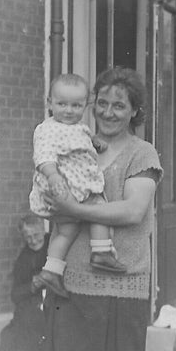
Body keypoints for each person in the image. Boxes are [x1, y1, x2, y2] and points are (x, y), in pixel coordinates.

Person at [44, 66, 163, 351]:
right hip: (75, 279)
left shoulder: (142, 154)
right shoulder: (75, 143)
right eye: (104, 102)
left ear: (134, 111)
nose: (110, 111)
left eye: (120, 105)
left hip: (122, 282)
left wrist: (75, 207)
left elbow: (132, 212)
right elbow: (50, 187)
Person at [29, 73, 126, 299]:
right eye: (62, 104)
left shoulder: (80, 128)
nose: (69, 110)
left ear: (85, 105)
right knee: (99, 207)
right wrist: (53, 176)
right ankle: (101, 250)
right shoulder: (47, 129)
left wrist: (95, 142)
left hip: (73, 185)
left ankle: (51, 271)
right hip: (64, 184)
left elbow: (81, 140)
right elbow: (43, 156)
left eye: (76, 105)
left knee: (66, 230)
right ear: (49, 103)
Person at [0, 213, 65, 351]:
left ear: (42, 231)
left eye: (36, 235)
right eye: (28, 238)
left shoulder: (55, 248)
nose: (33, 240)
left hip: (58, 303)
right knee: (15, 332)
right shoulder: (23, 259)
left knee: (46, 328)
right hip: (33, 304)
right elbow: (15, 294)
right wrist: (32, 285)